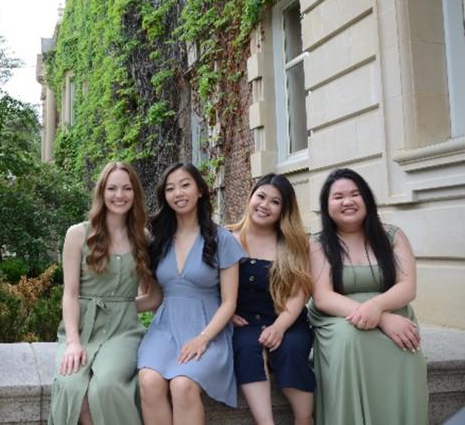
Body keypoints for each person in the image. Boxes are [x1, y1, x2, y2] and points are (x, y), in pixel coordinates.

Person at [308, 168, 428, 425]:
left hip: (392, 309)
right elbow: (323, 297)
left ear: (367, 199)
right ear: (327, 206)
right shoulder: (319, 243)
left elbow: (407, 286)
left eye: (355, 194)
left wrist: (378, 307)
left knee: (406, 348)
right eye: (338, 197)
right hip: (339, 317)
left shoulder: (392, 236)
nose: (347, 201)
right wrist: (381, 318)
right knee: (349, 339)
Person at [49, 161, 160, 425]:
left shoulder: (143, 238)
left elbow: (154, 296)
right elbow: (70, 295)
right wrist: (73, 342)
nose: (119, 195)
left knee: (106, 386)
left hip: (123, 333)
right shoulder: (77, 234)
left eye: (126, 188)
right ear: (101, 192)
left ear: (135, 193)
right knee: (73, 388)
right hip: (81, 331)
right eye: (112, 188)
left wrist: (121, 308)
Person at [137, 162, 244, 425]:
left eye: (185, 185)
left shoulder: (222, 239)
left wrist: (203, 338)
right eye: (170, 188)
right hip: (165, 328)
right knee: (148, 381)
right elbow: (151, 295)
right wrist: (115, 305)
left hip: (207, 328)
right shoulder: (158, 240)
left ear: (200, 190)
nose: (178, 193)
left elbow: (229, 302)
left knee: (183, 385)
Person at [228, 173, 314, 425]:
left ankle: (304, 419)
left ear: (284, 210)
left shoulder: (294, 244)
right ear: (251, 197)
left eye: (275, 202)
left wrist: (279, 327)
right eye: (261, 196)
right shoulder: (226, 238)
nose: (265, 205)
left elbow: (300, 293)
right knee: (247, 348)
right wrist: (226, 313)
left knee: (289, 350)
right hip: (244, 321)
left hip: (287, 319)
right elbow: (210, 284)